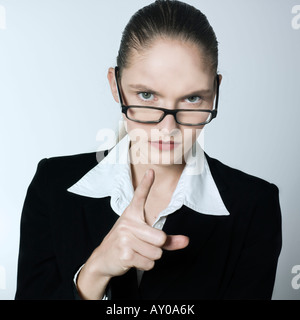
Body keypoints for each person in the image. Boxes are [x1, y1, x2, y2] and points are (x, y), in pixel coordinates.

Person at [15, 0, 282, 300]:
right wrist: (95, 272)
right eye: (146, 95)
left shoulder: (254, 206)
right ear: (115, 86)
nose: (168, 129)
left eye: (192, 98)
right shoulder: (52, 185)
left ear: (215, 91)